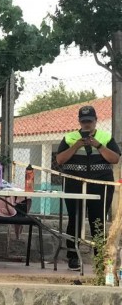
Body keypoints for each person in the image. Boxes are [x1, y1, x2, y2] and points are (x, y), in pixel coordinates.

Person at [55, 105, 120, 271]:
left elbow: (115, 159)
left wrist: (98, 145)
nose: (87, 125)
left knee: (98, 221)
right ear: (79, 122)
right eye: (84, 122)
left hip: (100, 185)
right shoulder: (70, 138)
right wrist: (76, 146)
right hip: (74, 185)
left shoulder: (105, 137)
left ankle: (99, 259)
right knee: (74, 219)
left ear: (95, 121)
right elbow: (60, 160)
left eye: (90, 121)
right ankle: (73, 257)